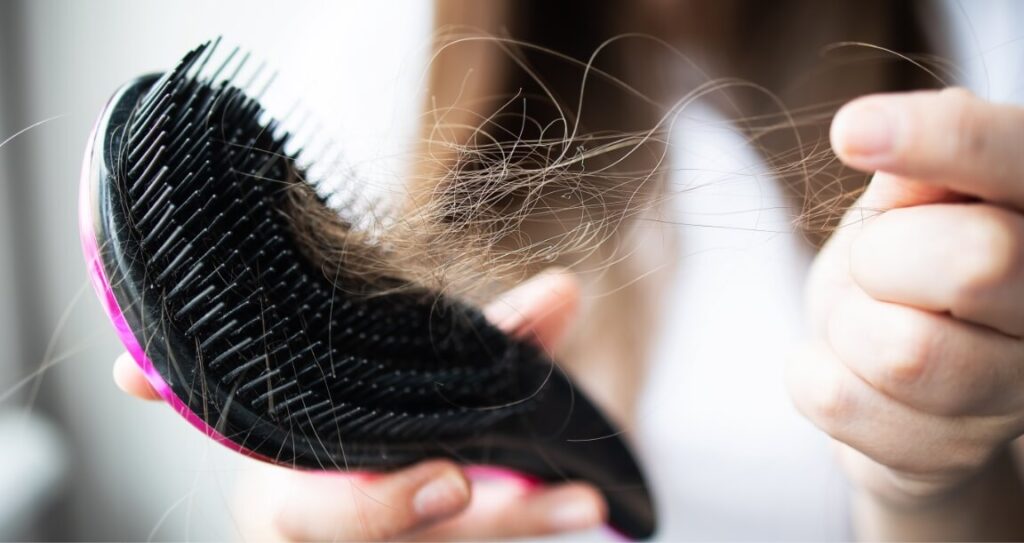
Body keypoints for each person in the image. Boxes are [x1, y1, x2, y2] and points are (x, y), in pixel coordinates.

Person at [113, 1, 1024, 540]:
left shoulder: (987, 60)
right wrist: (296, 518)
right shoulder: (377, 51)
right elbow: (293, 498)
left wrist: (938, 484)